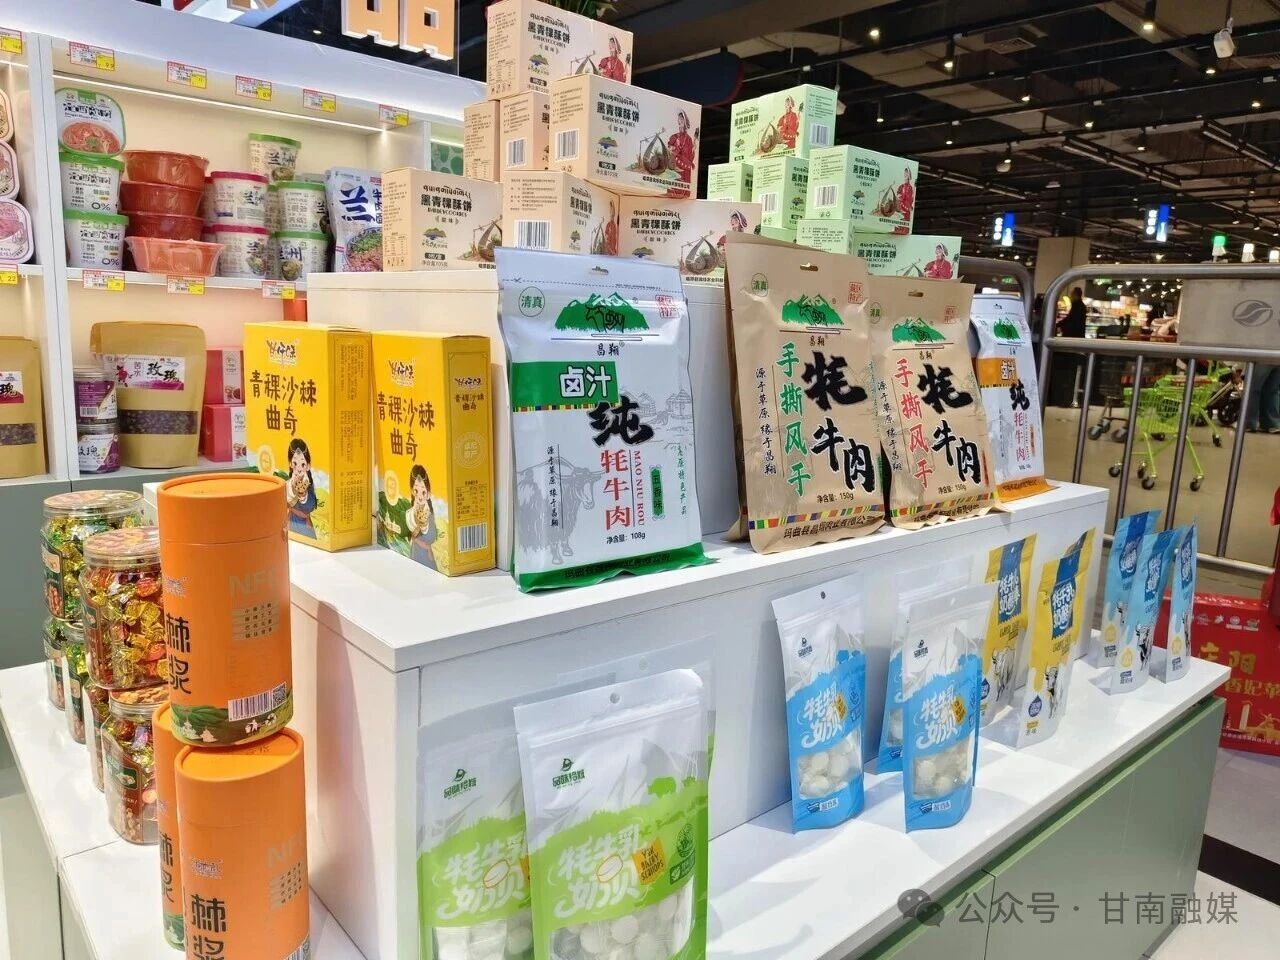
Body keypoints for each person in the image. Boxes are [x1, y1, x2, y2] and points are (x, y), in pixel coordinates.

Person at [407, 464, 439, 568]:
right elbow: (413, 536)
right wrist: (426, 546)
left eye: (423, 492)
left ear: (428, 493)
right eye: (416, 491)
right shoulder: (411, 513)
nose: (420, 496)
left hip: (427, 555)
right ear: (412, 491)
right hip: (417, 553)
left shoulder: (429, 513)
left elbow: (432, 536)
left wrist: (428, 547)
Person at [285, 438, 317, 537]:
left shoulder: (309, 486)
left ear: (308, 465)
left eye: (302, 464)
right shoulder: (288, 484)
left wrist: (303, 494)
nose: (299, 469)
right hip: (291, 522)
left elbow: (310, 505)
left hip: (305, 526)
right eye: (295, 463)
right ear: (290, 464)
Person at [1246, 365, 1280, 433]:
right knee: (1272, 391)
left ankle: (1250, 423)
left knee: (1253, 389)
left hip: (1262, 361)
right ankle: (1271, 424)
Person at [667, 110, 695, 187]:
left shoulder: (689, 139)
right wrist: (672, 149)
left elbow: (690, 157)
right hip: (675, 166)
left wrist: (694, 149)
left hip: (685, 169)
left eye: (682, 119)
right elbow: (669, 149)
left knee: (684, 185)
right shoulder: (674, 137)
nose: (680, 121)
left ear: (685, 121)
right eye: (679, 119)